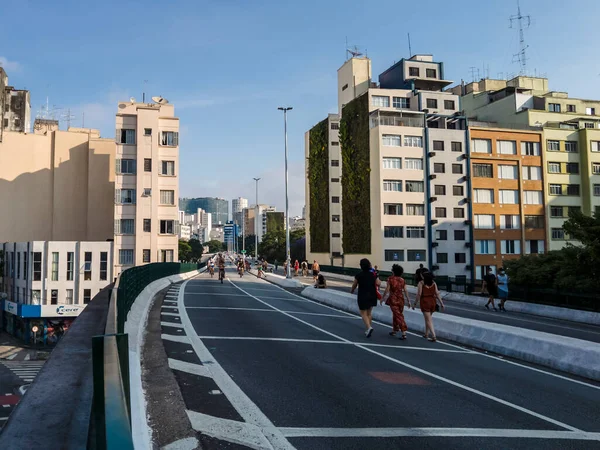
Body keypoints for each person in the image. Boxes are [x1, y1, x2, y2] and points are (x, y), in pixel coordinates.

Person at [351, 258, 381, 338]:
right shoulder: (373, 274)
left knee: (363, 313)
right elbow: (378, 283)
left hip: (363, 295)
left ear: (361, 266)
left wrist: (352, 290)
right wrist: (376, 276)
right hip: (372, 295)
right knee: (369, 313)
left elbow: (354, 285)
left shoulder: (359, 275)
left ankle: (369, 327)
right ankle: (368, 328)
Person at [382, 264, 411, 340]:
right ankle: (394, 330)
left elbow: (387, 290)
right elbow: (405, 290)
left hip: (393, 299)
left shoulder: (390, 279)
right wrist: (408, 300)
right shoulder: (402, 280)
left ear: (393, 271)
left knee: (398, 315)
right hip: (401, 299)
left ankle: (404, 332)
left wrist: (382, 298)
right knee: (397, 314)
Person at [414, 271, 444, 342]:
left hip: (425, 302)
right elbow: (437, 294)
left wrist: (415, 303)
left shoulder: (421, 283)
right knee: (428, 318)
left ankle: (434, 336)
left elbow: (419, 294)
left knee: (428, 320)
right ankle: (426, 334)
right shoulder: (434, 283)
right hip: (433, 301)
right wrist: (441, 303)